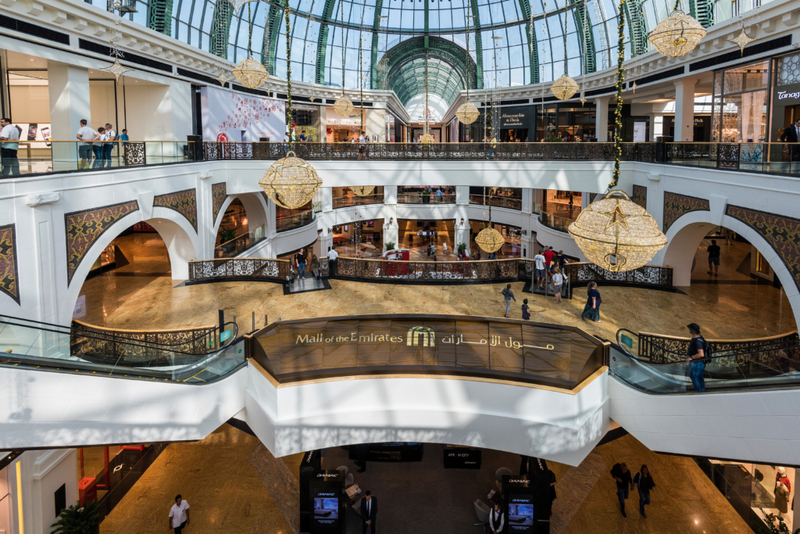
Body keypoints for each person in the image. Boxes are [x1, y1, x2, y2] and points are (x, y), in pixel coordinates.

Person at [685, 322, 707, 392]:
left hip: (697, 363)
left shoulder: (698, 341)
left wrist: (691, 358)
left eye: (690, 329)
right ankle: (701, 392)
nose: (689, 330)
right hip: (699, 363)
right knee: (700, 378)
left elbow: (701, 354)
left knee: (694, 377)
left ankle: (698, 392)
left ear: (692, 330)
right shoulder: (698, 338)